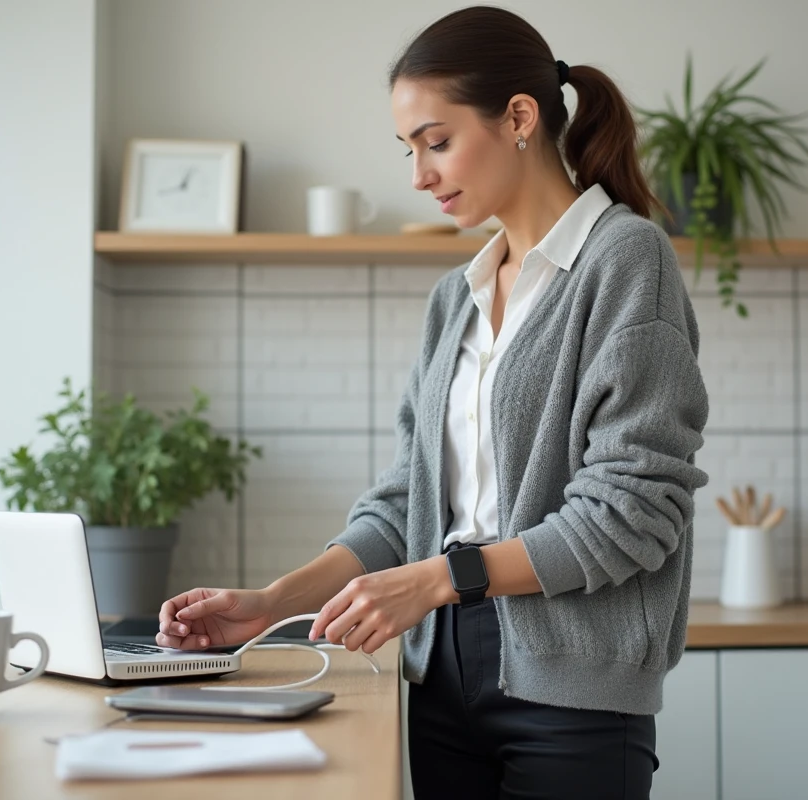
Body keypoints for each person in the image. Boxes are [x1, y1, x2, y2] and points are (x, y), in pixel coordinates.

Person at [156, 6, 709, 798]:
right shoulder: (457, 298)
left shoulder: (625, 261)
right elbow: (403, 508)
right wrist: (272, 604)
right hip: (440, 679)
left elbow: (635, 511)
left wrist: (444, 578)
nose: (418, 175)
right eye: (409, 149)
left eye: (437, 141)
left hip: (573, 692)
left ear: (519, 117)